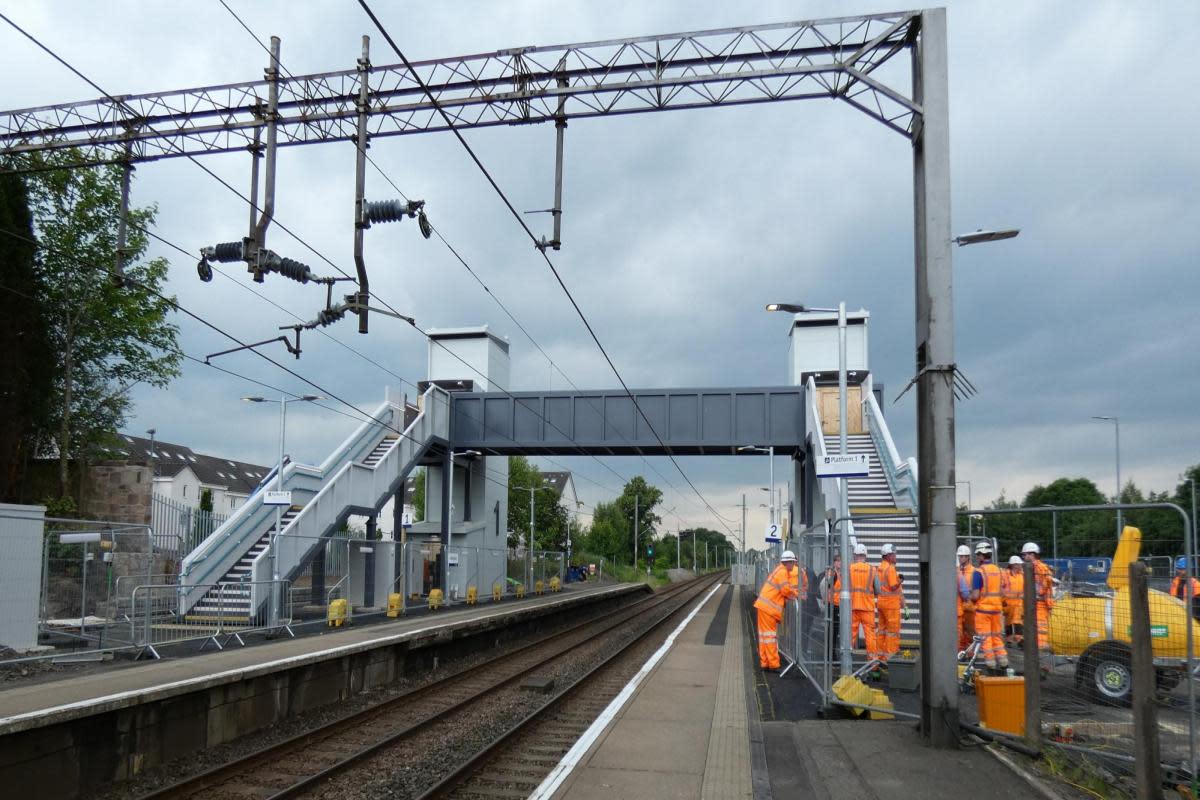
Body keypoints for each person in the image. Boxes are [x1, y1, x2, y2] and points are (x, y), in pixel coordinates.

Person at [754, 550, 802, 670]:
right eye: (793, 563)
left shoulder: (779, 570)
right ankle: (774, 664)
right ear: (789, 562)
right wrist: (797, 594)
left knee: (764, 637)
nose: (794, 565)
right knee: (770, 637)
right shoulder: (782, 572)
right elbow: (785, 590)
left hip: (764, 607)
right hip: (768, 609)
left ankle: (765, 663)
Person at [970, 542, 1008, 671]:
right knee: (997, 637)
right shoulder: (999, 570)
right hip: (997, 611)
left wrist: (970, 598)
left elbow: (975, 595)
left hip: (983, 611)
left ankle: (991, 665)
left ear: (981, 555)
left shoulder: (978, 572)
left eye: (977, 555)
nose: (977, 557)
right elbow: (1002, 592)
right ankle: (1003, 662)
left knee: (986, 639)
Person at [875, 543, 907, 663]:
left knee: (882, 631)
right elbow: (893, 586)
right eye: (893, 554)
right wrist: (900, 580)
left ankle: (879, 657)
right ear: (888, 555)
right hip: (891, 606)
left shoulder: (880, 567)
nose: (895, 556)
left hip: (882, 603)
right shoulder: (891, 568)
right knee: (892, 633)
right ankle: (891, 658)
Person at [848, 543, 880, 660]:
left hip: (852, 607)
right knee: (870, 637)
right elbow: (878, 589)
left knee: (850, 635)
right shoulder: (872, 569)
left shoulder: (849, 568)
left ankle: (847, 663)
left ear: (855, 555)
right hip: (868, 608)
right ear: (865, 555)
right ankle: (873, 665)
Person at [1022, 542, 1055, 652]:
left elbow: (1047, 581)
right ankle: (1036, 646)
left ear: (1032, 554)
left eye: (1025, 554)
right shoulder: (1032, 567)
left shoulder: (1040, 567)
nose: (1024, 557)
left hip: (1041, 602)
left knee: (1041, 627)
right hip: (1036, 601)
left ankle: (1041, 648)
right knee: (1034, 625)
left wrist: (1039, 593)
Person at [821, 553, 843, 662]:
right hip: (832, 605)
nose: (839, 563)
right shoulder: (832, 573)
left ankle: (832, 654)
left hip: (839, 605)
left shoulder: (841, 574)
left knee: (835, 631)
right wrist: (825, 600)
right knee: (832, 631)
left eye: (840, 561)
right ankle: (831, 655)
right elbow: (824, 586)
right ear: (834, 562)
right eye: (837, 561)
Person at [956, 544, 976, 652]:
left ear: (968, 557)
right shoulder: (956, 571)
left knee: (970, 632)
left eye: (963, 556)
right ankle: (960, 653)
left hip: (969, 607)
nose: (961, 558)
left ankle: (970, 653)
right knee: (959, 632)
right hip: (959, 607)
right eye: (959, 556)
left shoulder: (974, 571)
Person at [1002, 554, 1024, 645]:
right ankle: (1009, 639)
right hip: (1008, 603)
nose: (1020, 566)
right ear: (1014, 565)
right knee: (1008, 621)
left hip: (1018, 602)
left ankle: (1019, 639)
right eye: (1019, 564)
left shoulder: (1021, 575)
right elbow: (1001, 588)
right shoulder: (1005, 575)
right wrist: (1002, 601)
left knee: (1017, 620)